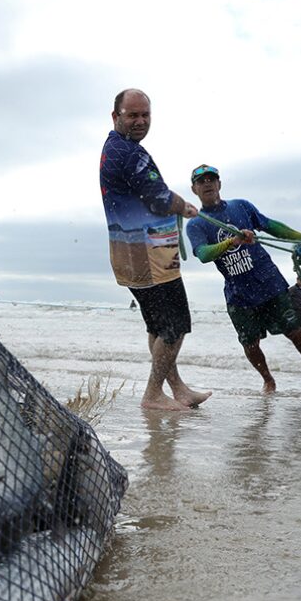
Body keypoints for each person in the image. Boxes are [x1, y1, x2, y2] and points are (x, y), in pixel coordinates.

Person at [185, 165, 301, 398]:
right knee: (250, 343)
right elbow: (203, 254)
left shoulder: (241, 206)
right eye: (201, 181)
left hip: (269, 281)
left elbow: (270, 225)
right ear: (194, 189)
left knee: (294, 330)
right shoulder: (196, 224)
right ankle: (268, 380)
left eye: (211, 179)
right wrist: (231, 242)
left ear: (219, 184)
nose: (207, 184)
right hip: (238, 292)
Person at [100, 89, 208, 411]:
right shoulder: (128, 153)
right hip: (149, 254)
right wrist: (183, 205)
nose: (140, 121)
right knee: (175, 325)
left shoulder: (117, 148)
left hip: (131, 251)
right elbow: (158, 197)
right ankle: (153, 394)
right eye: (132, 115)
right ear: (116, 116)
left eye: (145, 115)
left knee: (159, 326)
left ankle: (177, 389)